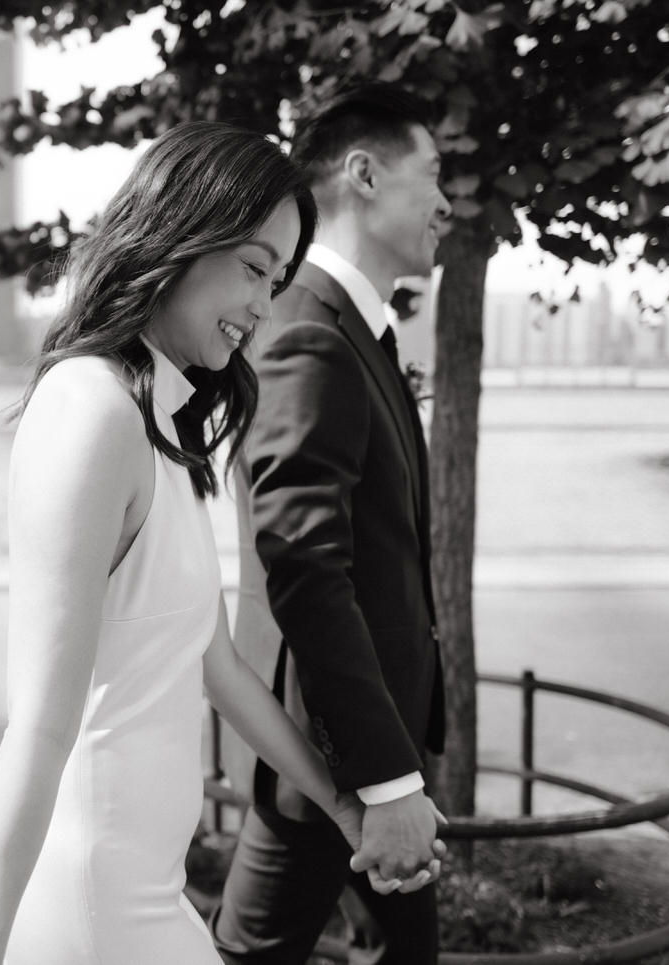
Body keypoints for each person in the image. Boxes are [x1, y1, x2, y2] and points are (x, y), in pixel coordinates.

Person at [0, 121, 393, 965]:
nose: (265, 305)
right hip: (96, 901)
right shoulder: (90, 410)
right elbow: (39, 727)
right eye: (255, 269)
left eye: (281, 277)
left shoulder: (162, 422)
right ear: (181, 236)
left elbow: (215, 662)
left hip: (148, 889)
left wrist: (342, 805)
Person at [212, 84, 453, 965]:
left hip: (372, 738)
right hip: (330, 755)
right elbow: (305, 565)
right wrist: (386, 777)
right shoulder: (310, 332)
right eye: (433, 174)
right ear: (362, 174)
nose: (446, 202)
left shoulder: (358, 330)